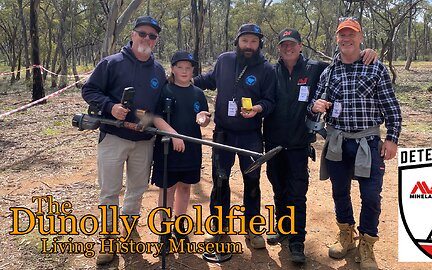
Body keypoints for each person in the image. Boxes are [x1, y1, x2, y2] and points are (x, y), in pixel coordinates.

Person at [263, 28, 377, 264]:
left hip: (298, 144)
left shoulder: (316, 68)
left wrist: (366, 53)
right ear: (279, 49)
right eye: (284, 45)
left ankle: (297, 241)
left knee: (297, 193)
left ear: (301, 46)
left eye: (292, 44)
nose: (288, 48)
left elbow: (345, 62)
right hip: (272, 142)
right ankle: (283, 228)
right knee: (278, 189)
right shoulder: (270, 71)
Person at [308, 18, 402, 270]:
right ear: (337, 39)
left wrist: (392, 138)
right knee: (340, 192)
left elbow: (391, 107)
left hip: (368, 143)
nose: (346, 39)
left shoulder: (376, 68)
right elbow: (316, 104)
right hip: (337, 142)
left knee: (371, 196)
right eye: (342, 35)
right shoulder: (329, 73)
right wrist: (315, 105)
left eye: (351, 34)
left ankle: (367, 245)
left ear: (360, 37)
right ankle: (346, 236)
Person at [81, 16, 166, 265]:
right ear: (132, 34)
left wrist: (148, 122)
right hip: (113, 138)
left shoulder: (158, 70)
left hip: (143, 140)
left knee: (137, 188)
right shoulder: (111, 63)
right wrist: (110, 107)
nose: (146, 39)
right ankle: (108, 238)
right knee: (109, 190)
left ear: (156, 40)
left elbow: (158, 106)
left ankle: (128, 228)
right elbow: (89, 90)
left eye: (152, 36)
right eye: (142, 33)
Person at [194, 23, 276, 249]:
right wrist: (183, 80)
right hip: (223, 133)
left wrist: (257, 109)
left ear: (260, 44)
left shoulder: (266, 69)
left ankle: (253, 229)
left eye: (254, 41)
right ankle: (219, 228)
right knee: (220, 180)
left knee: (252, 182)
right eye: (245, 41)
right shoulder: (225, 60)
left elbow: (270, 101)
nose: (249, 46)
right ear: (237, 42)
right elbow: (209, 80)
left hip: (251, 135)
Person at [151, 51, 210, 248]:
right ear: (173, 69)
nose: (184, 71)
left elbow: (204, 117)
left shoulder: (198, 93)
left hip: (191, 148)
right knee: (167, 189)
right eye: (180, 67)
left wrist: (203, 119)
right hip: (167, 148)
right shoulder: (165, 90)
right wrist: (174, 135)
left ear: (193, 70)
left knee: (185, 187)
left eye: (188, 67)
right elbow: (155, 117)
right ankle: (165, 231)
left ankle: (179, 225)